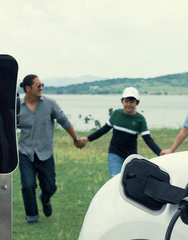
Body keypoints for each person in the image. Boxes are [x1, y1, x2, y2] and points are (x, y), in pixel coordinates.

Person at [17, 74, 84, 224]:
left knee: (50, 187)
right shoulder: (18, 107)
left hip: (45, 154)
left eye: (42, 85)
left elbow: (64, 121)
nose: (41, 88)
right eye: (38, 86)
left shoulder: (50, 104)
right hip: (25, 153)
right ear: (28, 88)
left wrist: (76, 139)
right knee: (27, 185)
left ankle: (45, 199)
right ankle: (32, 217)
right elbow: (9, 127)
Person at [81, 87, 163, 178]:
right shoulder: (116, 114)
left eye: (132, 102)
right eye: (126, 101)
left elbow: (148, 139)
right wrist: (88, 139)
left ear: (137, 103)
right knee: (115, 179)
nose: (129, 104)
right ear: (122, 101)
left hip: (131, 157)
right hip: (115, 154)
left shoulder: (140, 119)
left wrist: (159, 152)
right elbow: (104, 129)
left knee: (130, 183)